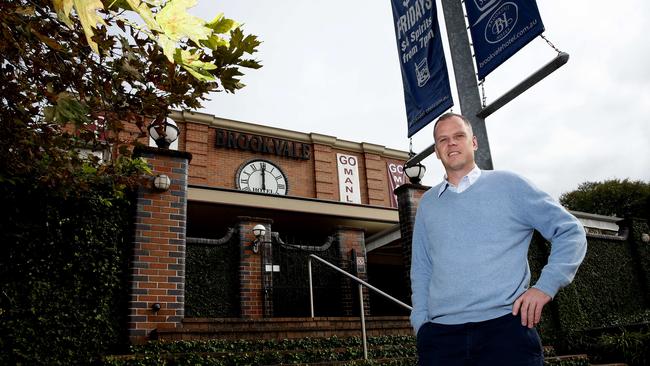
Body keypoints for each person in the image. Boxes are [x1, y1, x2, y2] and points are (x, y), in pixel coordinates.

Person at [410, 113, 587, 366]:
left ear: (474, 142)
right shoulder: (428, 204)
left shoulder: (510, 185)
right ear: (437, 151)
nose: (451, 143)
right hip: (441, 338)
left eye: (459, 136)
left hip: (506, 332)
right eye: (443, 140)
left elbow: (570, 231)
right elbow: (422, 268)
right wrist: (421, 323)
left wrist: (545, 286)